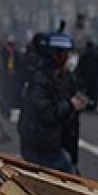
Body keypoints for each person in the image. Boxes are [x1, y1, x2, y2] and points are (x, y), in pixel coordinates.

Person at [18, 33, 86, 173]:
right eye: (66, 54)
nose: (69, 58)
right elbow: (46, 112)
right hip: (42, 146)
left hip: (55, 144)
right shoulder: (40, 80)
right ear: (56, 56)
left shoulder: (61, 77)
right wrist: (71, 105)